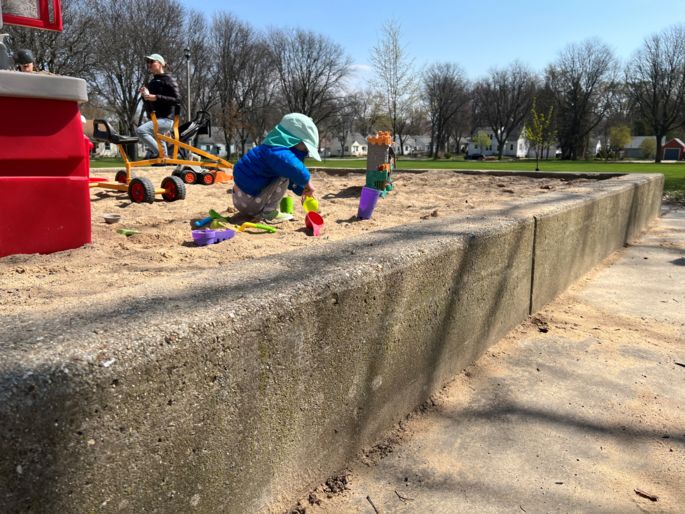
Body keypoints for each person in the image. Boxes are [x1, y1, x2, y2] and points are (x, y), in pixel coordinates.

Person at [232, 113, 321, 224]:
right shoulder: (277, 153)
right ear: (294, 140)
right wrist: (307, 181)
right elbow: (293, 167)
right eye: (305, 148)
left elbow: (291, 171)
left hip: (239, 199)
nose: (305, 152)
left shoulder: (266, 149)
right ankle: (269, 213)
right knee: (283, 177)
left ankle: (262, 210)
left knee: (284, 173)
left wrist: (302, 190)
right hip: (251, 202)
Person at [136, 53, 180, 159]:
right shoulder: (152, 82)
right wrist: (144, 95)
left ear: (160, 64)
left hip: (166, 120)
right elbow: (149, 101)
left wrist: (155, 97)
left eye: (152, 62)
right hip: (156, 120)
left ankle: (162, 154)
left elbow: (177, 100)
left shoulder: (169, 79)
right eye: (148, 62)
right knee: (160, 146)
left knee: (141, 131)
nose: (149, 64)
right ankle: (164, 161)